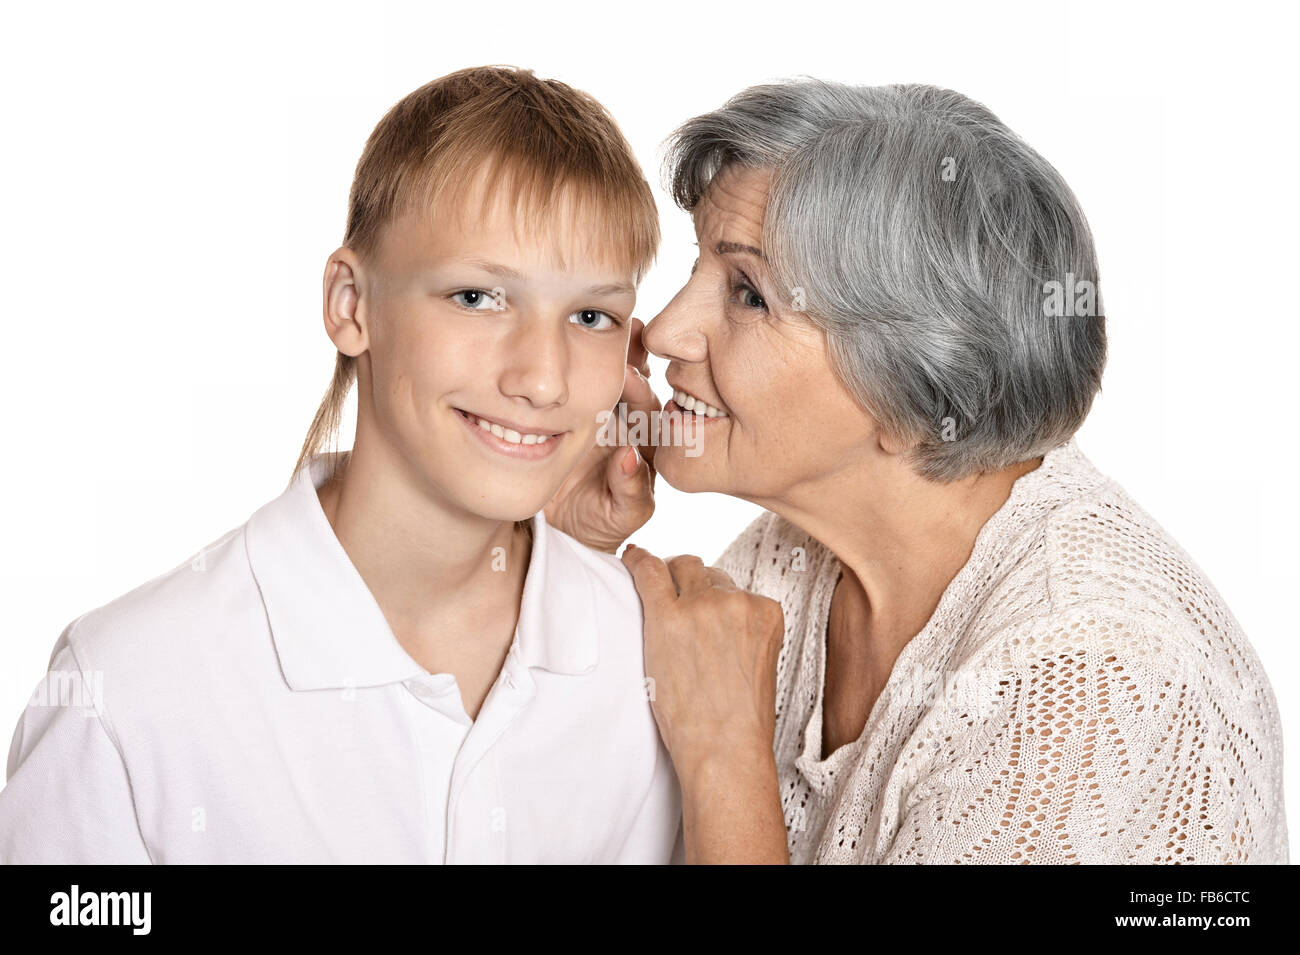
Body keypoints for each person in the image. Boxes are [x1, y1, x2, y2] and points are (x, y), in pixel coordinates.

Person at [550, 80, 1290, 864]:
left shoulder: (1094, 679)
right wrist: (567, 554)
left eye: (747, 293)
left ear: (914, 388)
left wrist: (725, 753)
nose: (662, 331)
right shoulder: (792, 557)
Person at [0, 66, 680, 864]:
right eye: (476, 297)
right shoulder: (126, 689)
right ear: (350, 304)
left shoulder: (654, 662)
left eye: (591, 316)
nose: (541, 378)